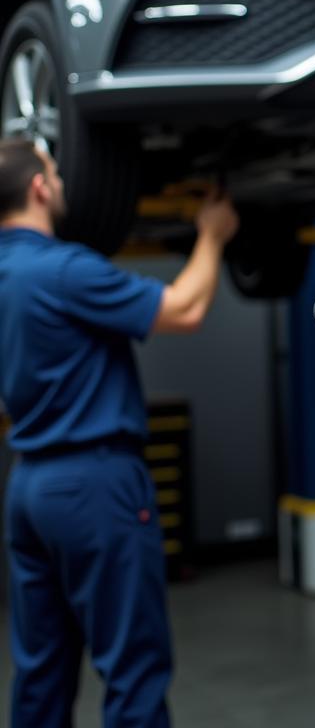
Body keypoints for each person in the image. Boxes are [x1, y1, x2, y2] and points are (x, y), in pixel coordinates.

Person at [0, 140, 239, 727]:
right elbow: (183, 309)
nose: (61, 180)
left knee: (40, 670)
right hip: (94, 484)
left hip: (27, 486)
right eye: (55, 171)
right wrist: (212, 233)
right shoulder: (61, 268)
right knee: (133, 667)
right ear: (38, 188)